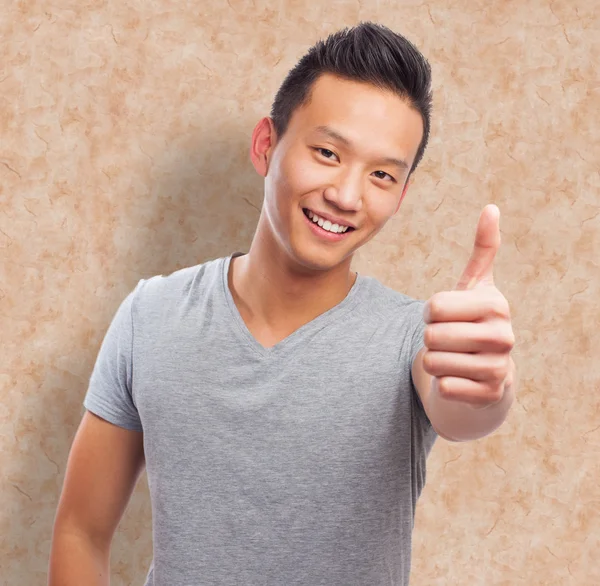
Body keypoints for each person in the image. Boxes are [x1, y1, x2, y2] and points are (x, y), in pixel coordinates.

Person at [49, 22, 517, 586]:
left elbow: (463, 409)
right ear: (265, 145)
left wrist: (487, 386)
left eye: (382, 175)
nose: (346, 196)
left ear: (400, 195)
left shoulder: (412, 341)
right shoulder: (151, 315)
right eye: (327, 152)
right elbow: (81, 529)